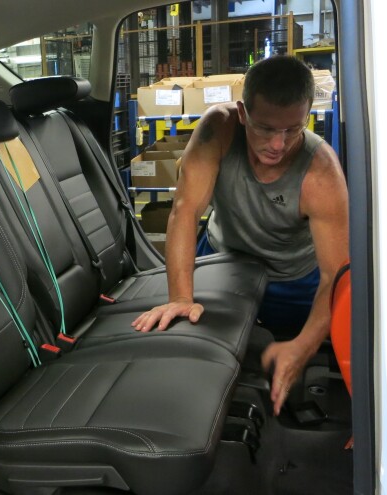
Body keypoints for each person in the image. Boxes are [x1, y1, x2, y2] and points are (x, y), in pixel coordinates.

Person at [131, 56, 349, 416]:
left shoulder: (322, 172)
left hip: (294, 277)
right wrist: (181, 298)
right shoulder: (219, 128)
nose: (278, 145)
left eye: (292, 129)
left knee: (290, 361)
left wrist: (303, 346)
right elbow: (185, 212)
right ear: (243, 113)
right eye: (265, 129)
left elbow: (335, 276)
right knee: (205, 352)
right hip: (224, 259)